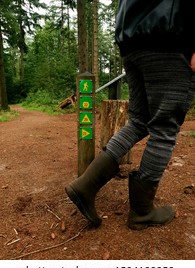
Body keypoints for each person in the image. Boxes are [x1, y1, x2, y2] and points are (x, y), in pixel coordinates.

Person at [65, 0, 195, 230]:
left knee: (139, 121)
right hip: (169, 38)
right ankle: (142, 211)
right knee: (164, 129)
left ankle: (85, 185)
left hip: (131, 40)